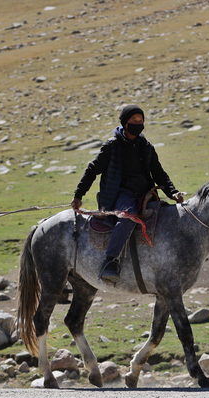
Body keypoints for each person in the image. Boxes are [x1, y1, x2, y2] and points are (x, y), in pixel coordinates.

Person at [71, 104, 184, 284]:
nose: (138, 124)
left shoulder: (146, 147)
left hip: (146, 194)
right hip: (120, 195)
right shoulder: (112, 146)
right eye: (134, 121)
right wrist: (79, 195)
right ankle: (110, 261)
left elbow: (159, 173)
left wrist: (173, 192)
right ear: (125, 123)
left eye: (141, 121)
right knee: (128, 218)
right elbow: (92, 170)